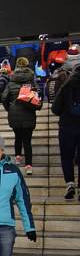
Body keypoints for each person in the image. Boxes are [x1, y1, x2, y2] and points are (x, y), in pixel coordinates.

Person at [1, 57, 41, 175]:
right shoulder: (31, 81)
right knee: (27, 141)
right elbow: (37, 95)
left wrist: (10, 108)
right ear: (27, 65)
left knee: (18, 136)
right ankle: (28, 166)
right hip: (28, 113)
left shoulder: (11, 81)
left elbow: (4, 98)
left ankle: (18, 157)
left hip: (14, 114)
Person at [51, 66, 80, 200]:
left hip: (67, 127)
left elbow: (55, 109)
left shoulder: (66, 86)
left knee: (67, 157)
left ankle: (70, 184)